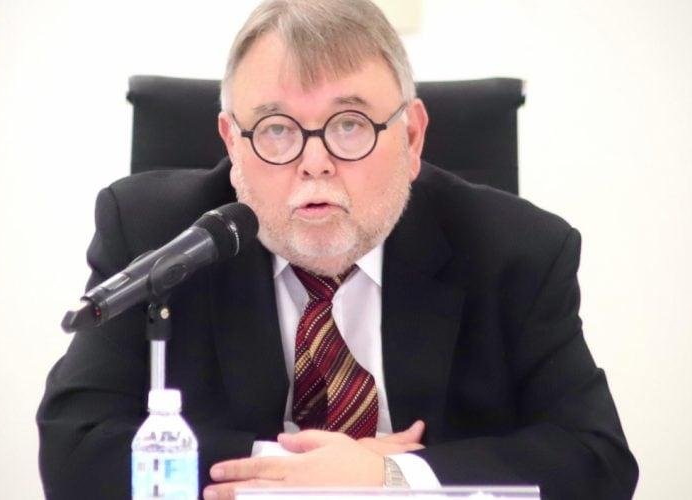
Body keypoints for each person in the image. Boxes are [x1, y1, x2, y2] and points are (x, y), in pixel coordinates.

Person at [37, 1, 638, 499]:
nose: (314, 162)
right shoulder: (157, 235)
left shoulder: (516, 251)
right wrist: (294, 473)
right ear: (232, 143)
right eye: (276, 129)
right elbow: (74, 447)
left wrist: (391, 476)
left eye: (349, 124)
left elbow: (596, 460)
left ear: (411, 136)